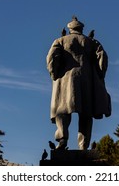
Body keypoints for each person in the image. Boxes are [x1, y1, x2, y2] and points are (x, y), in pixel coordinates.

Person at [46, 16, 111, 150]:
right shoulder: (91, 42)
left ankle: (62, 140)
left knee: (62, 111)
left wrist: (54, 74)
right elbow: (102, 58)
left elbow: (51, 58)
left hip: (65, 80)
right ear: (81, 29)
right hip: (87, 80)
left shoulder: (60, 40)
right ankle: (83, 146)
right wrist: (99, 74)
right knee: (86, 114)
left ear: (70, 29)